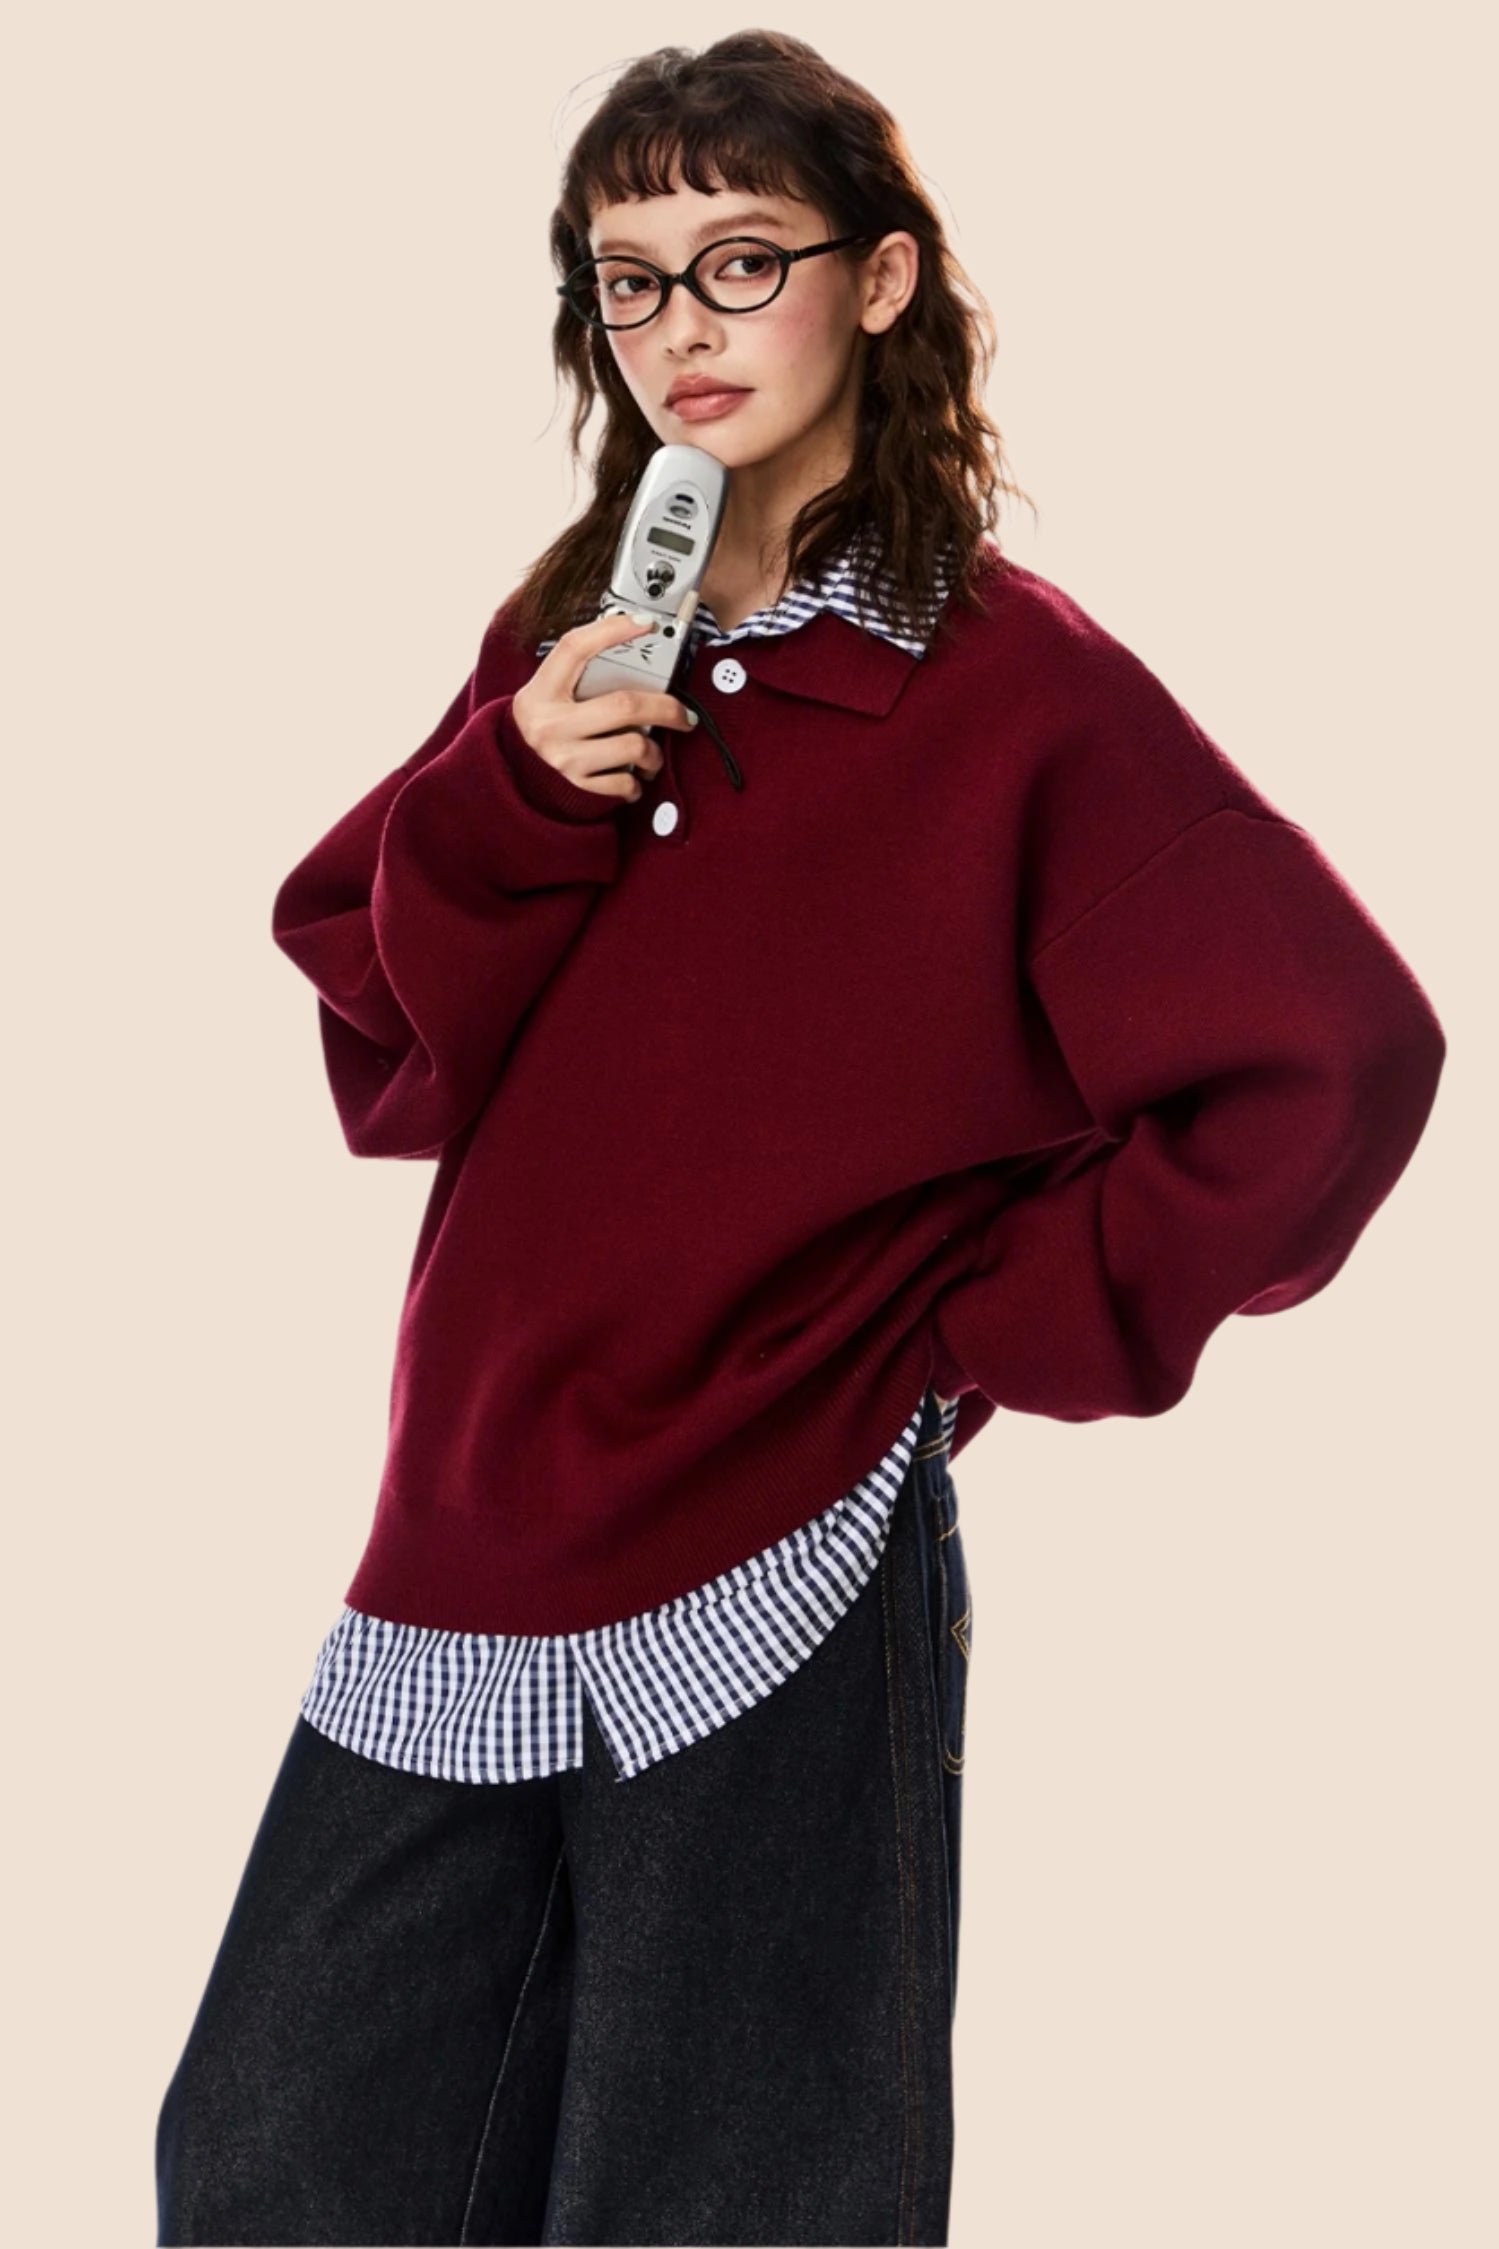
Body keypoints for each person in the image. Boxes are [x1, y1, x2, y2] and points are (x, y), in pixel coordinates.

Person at [154, 31, 1446, 2249]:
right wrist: (512, 786)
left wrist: (969, 1332)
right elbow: (392, 1035)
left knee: (728, 2205)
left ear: (882, 279)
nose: (682, 322)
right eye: (629, 278)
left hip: (783, 1553)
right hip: (470, 1526)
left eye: (742, 259)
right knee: (282, 2166)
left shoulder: (1013, 686)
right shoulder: (571, 642)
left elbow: (1332, 1053)